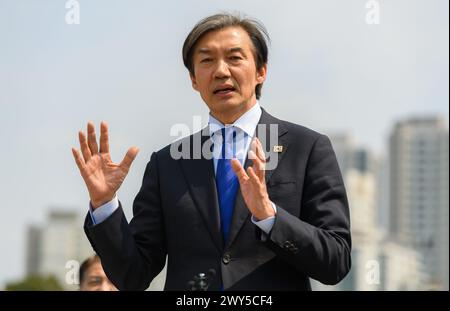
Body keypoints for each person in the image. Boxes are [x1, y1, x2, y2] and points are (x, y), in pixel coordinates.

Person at [72, 13, 351, 290]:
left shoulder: (306, 148)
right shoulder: (167, 163)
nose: (220, 71)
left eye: (234, 57)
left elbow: (335, 261)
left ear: (261, 71)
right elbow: (133, 276)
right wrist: (104, 204)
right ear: (194, 79)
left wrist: (270, 216)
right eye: (207, 60)